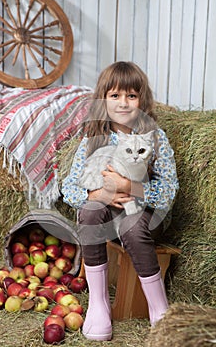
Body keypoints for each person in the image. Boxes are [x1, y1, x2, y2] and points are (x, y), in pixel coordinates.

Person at [61, 61, 179, 341]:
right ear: (104, 100)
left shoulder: (155, 138)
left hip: (146, 216)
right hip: (105, 218)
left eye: (131, 96)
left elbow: (170, 190)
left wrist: (131, 187)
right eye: (115, 96)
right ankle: (99, 305)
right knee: (89, 212)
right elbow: (69, 187)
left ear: (142, 100)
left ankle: (159, 308)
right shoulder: (93, 139)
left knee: (132, 225)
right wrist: (97, 194)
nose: (123, 103)